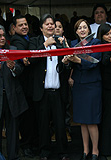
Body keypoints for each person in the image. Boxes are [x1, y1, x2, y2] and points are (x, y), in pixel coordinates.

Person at [28, 13, 70, 160]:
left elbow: (68, 65)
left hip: (58, 91)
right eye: (47, 24)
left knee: (60, 125)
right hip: (42, 92)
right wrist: (45, 45)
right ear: (41, 28)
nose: (51, 26)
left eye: (52, 23)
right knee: (43, 125)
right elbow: (31, 60)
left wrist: (66, 63)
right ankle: (44, 152)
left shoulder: (62, 41)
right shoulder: (35, 42)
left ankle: (63, 152)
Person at [0, 24, 28, 160]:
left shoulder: (13, 50)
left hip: (12, 97)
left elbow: (22, 71)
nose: (3, 38)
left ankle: (13, 157)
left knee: (13, 131)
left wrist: (14, 67)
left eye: (4, 35)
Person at [64, 19, 102, 160]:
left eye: (84, 27)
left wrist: (77, 60)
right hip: (79, 85)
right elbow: (70, 66)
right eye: (79, 28)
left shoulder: (96, 43)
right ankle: (85, 149)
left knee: (91, 120)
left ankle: (95, 149)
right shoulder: (73, 44)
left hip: (92, 85)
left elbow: (95, 61)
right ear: (76, 31)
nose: (82, 30)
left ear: (89, 29)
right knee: (82, 120)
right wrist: (67, 62)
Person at [11, 15, 37, 158]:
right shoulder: (17, 40)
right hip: (23, 86)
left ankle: (32, 143)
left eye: (25, 24)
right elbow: (24, 54)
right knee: (26, 118)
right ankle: (26, 145)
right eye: (20, 25)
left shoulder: (30, 37)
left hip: (31, 85)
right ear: (14, 28)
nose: (24, 27)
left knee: (32, 117)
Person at [96, 23, 111, 157]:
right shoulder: (100, 46)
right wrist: (109, 60)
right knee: (106, 119)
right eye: (107, 34)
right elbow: (101, 62)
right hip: (105, 88)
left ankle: (106, 147)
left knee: (109, 119)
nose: (110, 36)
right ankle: (105, 149)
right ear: (101, 35)